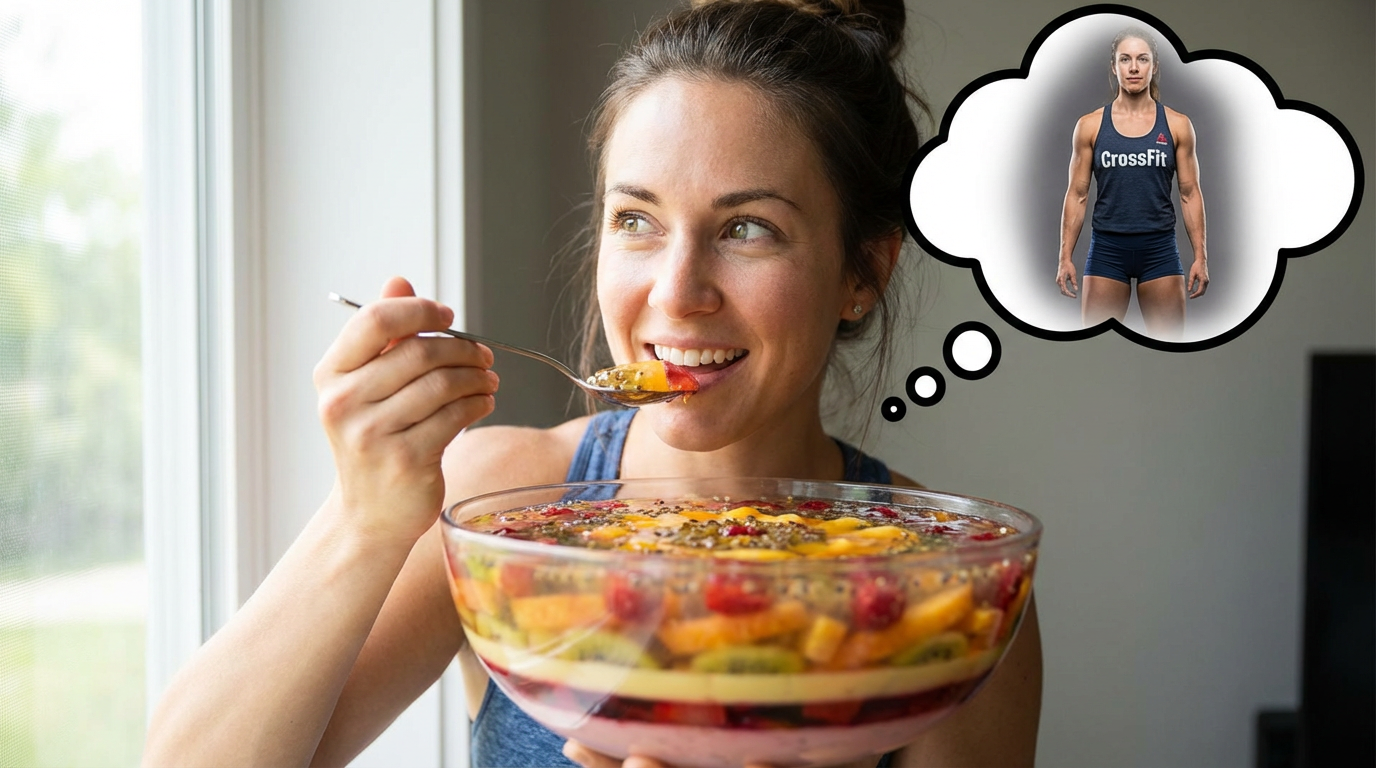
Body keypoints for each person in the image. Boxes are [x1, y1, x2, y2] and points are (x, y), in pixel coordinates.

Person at [141, 1, 1042, 766]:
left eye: (749, 229)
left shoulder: (951, 586)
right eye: (637, 219)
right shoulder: (494, 510)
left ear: (865, 272)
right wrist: (364, 516)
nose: (676, 293)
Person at [1055, 27, 1209, 340]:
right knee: (1094, 352)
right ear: (1114, 66)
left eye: (1142, 59)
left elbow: (1190, 193)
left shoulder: (1178, 125)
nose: (1134, 67)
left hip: (1160, 250)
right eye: (1125, 59)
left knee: (1171, 352)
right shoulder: (1090, 125)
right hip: (1108, 250)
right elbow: (1078, 194)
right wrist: (1064, 257)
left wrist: (1201, 257)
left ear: (1154, 66)